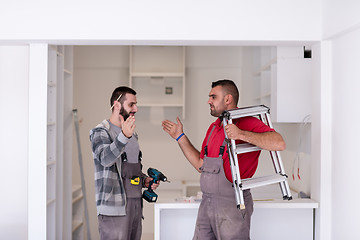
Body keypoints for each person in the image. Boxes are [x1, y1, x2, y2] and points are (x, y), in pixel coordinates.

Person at [162, 79, 286, 240]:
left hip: (232, 205)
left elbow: (279, 143)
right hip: (207, 204)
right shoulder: (214, 127)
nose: (208, 101)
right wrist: (180, 137)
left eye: (213, 97)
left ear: (227, 99)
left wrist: (240, 134)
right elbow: (201, 165)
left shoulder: (246, 121)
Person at [89, 86, 159, 240]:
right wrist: (123, 137)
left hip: (135, 206)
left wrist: (144, 180)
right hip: (114, 208)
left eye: (136, 104)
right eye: (131, 104)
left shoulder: (132, 134)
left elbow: (128, 169)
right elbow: (105, 159)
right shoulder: (101, 132)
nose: (136, 109)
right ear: (117, 105)